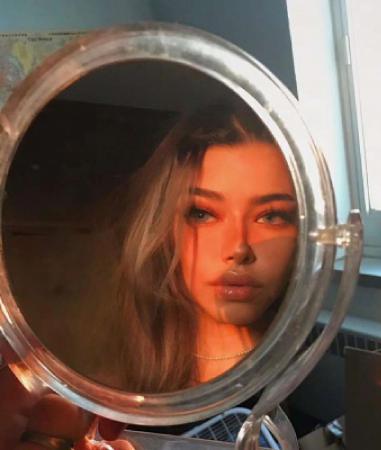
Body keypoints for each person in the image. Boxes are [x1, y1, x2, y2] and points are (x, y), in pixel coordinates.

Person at [2, 100, 298, 448]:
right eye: (202, 213)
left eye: (271, 216)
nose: (240, 247)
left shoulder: (307, 362)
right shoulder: (98, 365)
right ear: (164, 226)